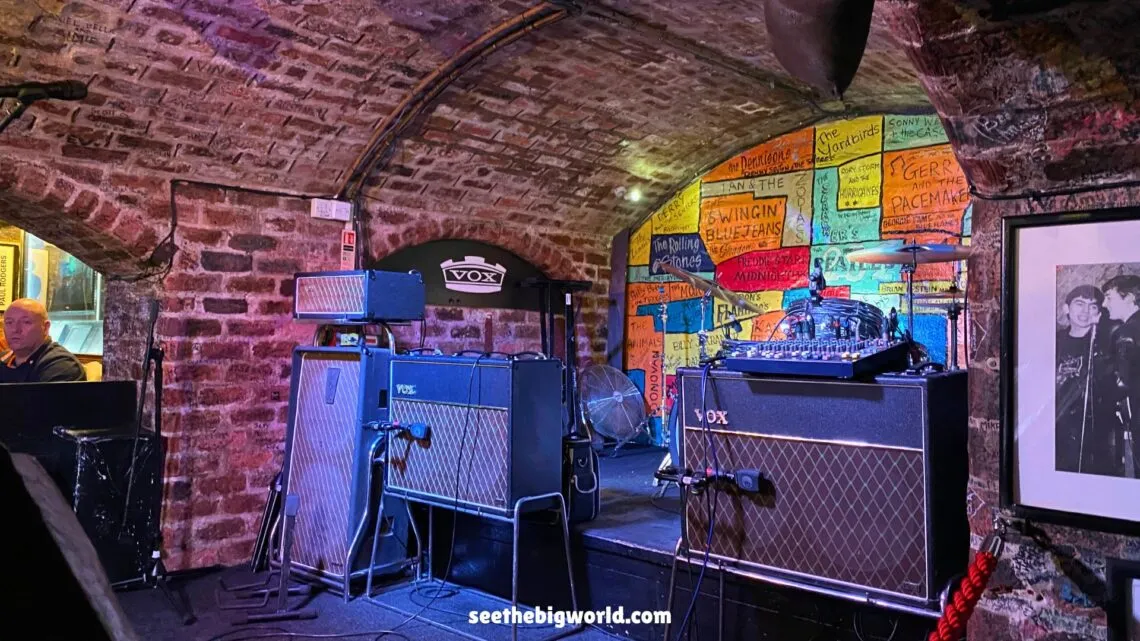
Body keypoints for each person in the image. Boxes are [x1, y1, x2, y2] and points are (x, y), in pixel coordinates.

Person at [1054, 285, 1117, 474]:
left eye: (1093, 306)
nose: (1085, 311)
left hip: (1092, 424)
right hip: (1058, 421)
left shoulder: (1104, 342)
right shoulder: (1055, 340)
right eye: (1079, 304)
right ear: (1066, 308)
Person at [1102, 275, 1140, 478]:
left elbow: (1122, 382)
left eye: (1109, 297)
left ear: (1130, 298)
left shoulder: (1127, 331)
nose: (1104, 304)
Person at [0, 298, 86, 383]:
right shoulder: (4, 358)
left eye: (26, 322)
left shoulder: (62, 365)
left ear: (45, 327)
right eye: (9, 322)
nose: (15, 329)